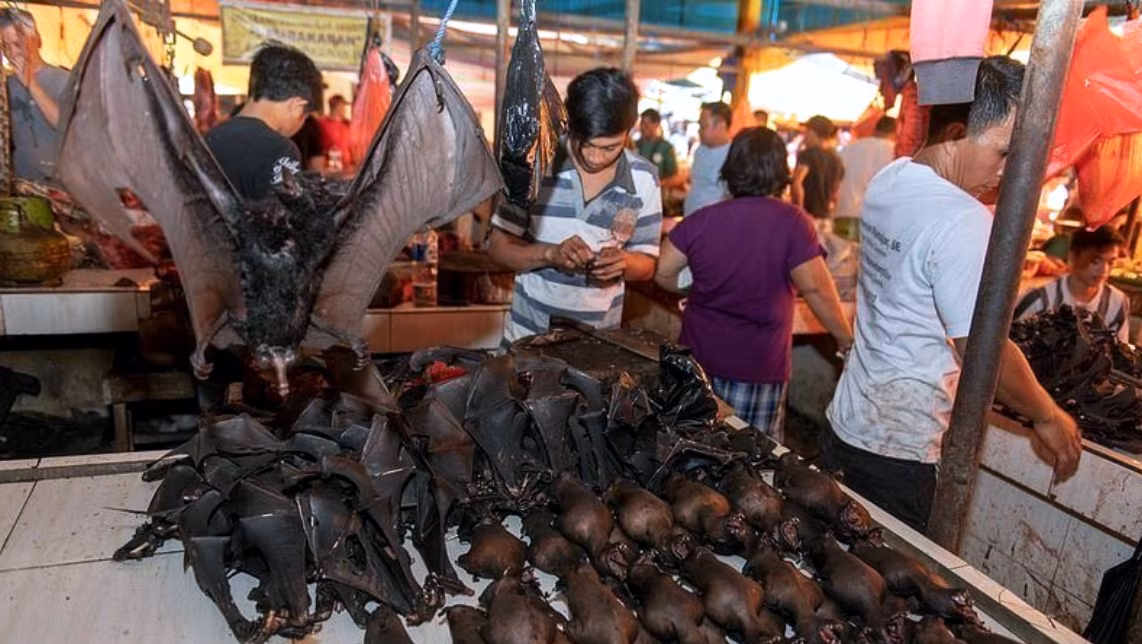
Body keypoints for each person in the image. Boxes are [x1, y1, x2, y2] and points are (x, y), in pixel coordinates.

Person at [824, 56, 1082, 534]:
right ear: (956, 132)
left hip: (848, 421)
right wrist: (1047, 414)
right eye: (1003, 152)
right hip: (900, 450)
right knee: (893, 575)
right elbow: (983, 352)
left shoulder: (890, 178)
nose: (1006, 171)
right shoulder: (964, 219)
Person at [656, 127, 853, 438]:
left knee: (694, 448)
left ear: (731, 168)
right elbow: (815, 287)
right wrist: (845, 338)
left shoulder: (703, 219)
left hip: (696, 363)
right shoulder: (792, 222)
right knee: (751, 455)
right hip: (756, 369)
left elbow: (663, 271)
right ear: (780, 172)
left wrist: (694, 289)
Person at [489, 68, 662, 343]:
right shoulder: (535, 166)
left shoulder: (644, 178)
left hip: (598, 346)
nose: (595, 157)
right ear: (570, 124)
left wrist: (624, 262)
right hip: (526, 340)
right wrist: (550, 254)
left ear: (630, 131)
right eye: (587, 144)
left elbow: (647, 263)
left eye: (610, 148)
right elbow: (498, 248)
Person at [204, 44, 323, 201]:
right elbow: (288, 213)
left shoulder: (210, 137)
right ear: (297, 105)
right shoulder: (279, 149)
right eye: (305, 116)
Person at [1015, 225, 1131, 343]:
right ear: (1073, 256)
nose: (1104, 270)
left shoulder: (1117, 303)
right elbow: (1010, 344)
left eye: (1111, 262)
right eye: (1095, 261)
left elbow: (1122, 348)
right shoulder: (1040, 300)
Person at [1, 8, 69, 181]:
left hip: (60, 184)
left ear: (36, 40)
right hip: (21, 182)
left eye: (17, 44)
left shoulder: (64, 79)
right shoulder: (6, 86)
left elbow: (67, 127)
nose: (12, 53)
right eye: (5, 46)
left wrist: (32, 85)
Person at [835, 116, 896, 223]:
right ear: (897, 132)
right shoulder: (895, 151)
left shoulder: (850, 148)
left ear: (875, 129)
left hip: (845, 214)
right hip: (875, 221)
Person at [683, 102, 733, 217]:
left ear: (721, 126)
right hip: (690, 218)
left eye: (703, 126)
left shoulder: (733, 156)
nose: (699, 131)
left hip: (713, 222)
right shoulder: (700, 150)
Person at [791, 115, 845, 221]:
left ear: (812, 133)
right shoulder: (837, 160)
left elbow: (797, 183)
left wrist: (800, 212)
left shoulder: (807, 155)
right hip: (826, 217)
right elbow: (836, 193)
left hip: (808, 215)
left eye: (806, 132)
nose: (804, 137)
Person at [636, 109, 683, 189]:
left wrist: (659, 184)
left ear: (656, 125)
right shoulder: (635, 145)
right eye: (641, 124)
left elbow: (674, 176)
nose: (643, 128)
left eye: (646, 125)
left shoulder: (666, 147)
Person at [319, 94, 353, 173]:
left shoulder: (347, 124)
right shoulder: (322, 124)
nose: (344, 109)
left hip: (348, 167)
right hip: (331, 168)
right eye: (342, 106)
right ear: (337, 107)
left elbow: (352, 145)